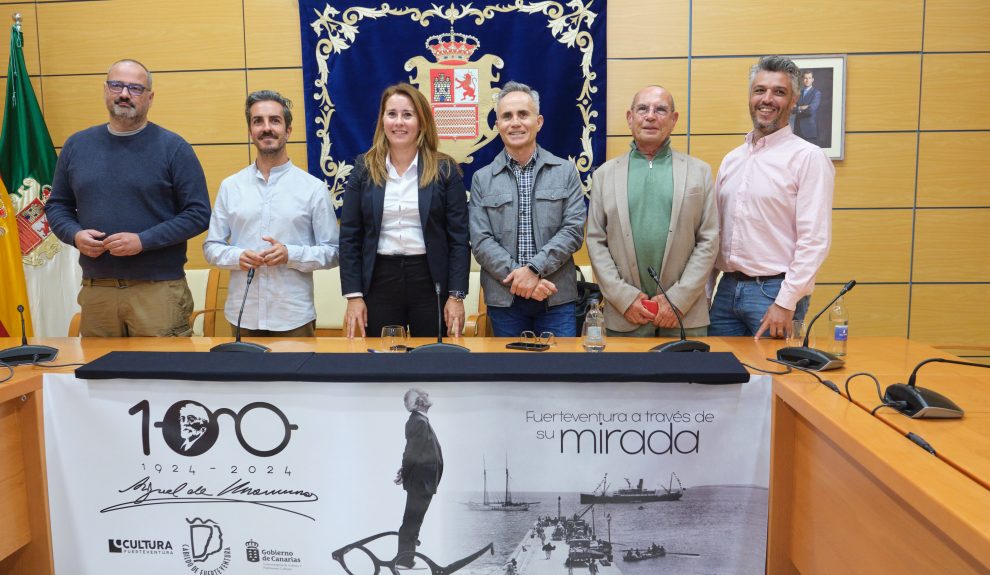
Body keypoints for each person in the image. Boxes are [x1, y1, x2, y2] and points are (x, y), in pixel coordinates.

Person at [47, 59, 210, 337]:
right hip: (97, 291)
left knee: (163, 376)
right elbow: (58, 206)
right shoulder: (77, 146)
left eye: (135, 88)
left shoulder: (174, 148)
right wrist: (75, 235)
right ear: (105, 90)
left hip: (157, 291)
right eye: (117, 85)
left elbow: (198, 214)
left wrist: (142, 241)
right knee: (99, 375)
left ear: (150, 97)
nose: (124, 94)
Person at [709, 55, 834, 339]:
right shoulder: (732, 159)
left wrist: (786, 302)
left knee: (773, 381)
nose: (767, 99)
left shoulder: (808, 158)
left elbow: (814, 241)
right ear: (750, 97)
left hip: (774, 294)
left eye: (779, 92)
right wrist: (706, 292)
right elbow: (715, 233)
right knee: (719, 379)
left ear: (793, 101)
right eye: (759, 90)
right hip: (726, 291)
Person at [203, 90, 339, 337]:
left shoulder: (313, 189)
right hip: (242, 314)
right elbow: (211, 247)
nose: (266, 128)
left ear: (288, 130)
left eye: (274, 120)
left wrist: (291, 254)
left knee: (296, 377)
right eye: (258, 121)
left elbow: (333, 252)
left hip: (293, 317)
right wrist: (237, 256)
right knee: (245, 377)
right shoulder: (230, 186)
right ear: (250, 131)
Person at [340, 83, 470, 338]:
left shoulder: (445, 169)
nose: (399, 122)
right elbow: (350, 236)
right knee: (382, 364)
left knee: (433, 361)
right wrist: (354, 296)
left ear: (421, 122)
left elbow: (459, 239)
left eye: (407, 115)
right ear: (382, 121)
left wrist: (456, 296)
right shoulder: (363, 169)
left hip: (431, 281)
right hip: (379, 280)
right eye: (392, 114)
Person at [587, 85, 717, 337]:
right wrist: (624, 298)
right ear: (629, 117)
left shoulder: (699, 173)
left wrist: (678, 300)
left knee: (687, 378)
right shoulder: (605, 175)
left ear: (674, 119)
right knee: (626, 378)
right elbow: (595, 241)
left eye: (660, 110)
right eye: (642, 109)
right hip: (625, 315)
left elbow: (709, 240)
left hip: (685, 316)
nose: (650, 116)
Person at [469, 81, 586, 337]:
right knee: (510, 375)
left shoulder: (565, 172)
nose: (515, 122)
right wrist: (521, 280)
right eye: (507, 116)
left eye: (523, 114)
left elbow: (573, 231)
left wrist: (533, 270)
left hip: (556, 298)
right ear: (497, 124)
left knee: (560, 374)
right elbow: (481, 241)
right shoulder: (481, 178)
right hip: (504, 302)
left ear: (539, 121)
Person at [394, 388, 443, 569]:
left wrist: (403, 470)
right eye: (424, 394)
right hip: (421, 483)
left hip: (422, 482)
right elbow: (411, 454)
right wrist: (405, 473)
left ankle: (406, 559)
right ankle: (404, 562)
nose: (428, 395)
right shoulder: (418, 421)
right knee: (412, 522)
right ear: (418, 402)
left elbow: (414, 453)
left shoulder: (420, 421)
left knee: (414, 521)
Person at [791, 70, 822, 145]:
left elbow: (811, 110)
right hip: (797, 130)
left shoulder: (816, 93)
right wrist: (801, 108)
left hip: (809, 131)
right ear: (802, 80)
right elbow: (792, 109)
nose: (807, 80)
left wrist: (798, 108)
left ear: (812, 80)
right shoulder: (798, 93)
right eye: (805, 78)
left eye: (809, 78)